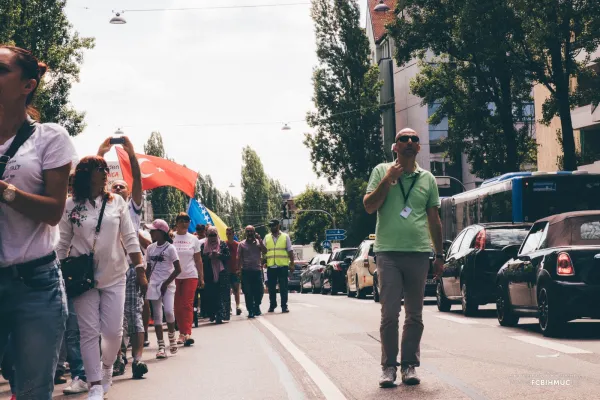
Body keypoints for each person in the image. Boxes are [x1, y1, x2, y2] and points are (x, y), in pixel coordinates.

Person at [0, 45, 77, 400]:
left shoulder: (50, 138)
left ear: (27, 85)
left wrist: (5, 192)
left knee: (31, 390)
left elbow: (53, 211)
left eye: (1, 70)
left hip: (35, 284)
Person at [57, 156, 143, 400]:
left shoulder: (117, 202)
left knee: (114, 333)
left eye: (106, 168)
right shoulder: (70, 205)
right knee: (88, 332)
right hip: (82, 278)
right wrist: (59, 275)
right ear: (85, 173)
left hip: (115, 274)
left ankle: (107, 368)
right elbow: (62, 242)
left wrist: (140, 267)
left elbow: (129, 236)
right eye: (99, 168)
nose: (105, 172)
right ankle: (94, 384)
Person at [363, 128, 444, 388]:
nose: (410, 142)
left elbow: (434, 219)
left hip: (418, 253)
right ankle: (388, 368)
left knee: (415, 315)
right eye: (403, 139)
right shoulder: (381, 170)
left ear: (419, 148)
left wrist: (439, 255)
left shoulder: (427, 178)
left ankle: (409, 366)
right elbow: (369, 205)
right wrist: (387, 179)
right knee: (389, 314)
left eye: (414, 139)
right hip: (387, 253)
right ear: (395, 147)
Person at [99, 137, 151, 379]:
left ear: (129, 192)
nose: (118, 188)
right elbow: (91, 178)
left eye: (122, 186)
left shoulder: (132, 208)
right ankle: (117, 358)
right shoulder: (104, 207)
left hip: (130, 270)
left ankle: (137, 360)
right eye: (114, 186)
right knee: (112, 321)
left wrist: (131, 154)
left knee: (134, 315)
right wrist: (101, 152)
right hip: (108, 270)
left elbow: (138, 180)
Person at [145, 219, 181, 359]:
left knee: (169, 312)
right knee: (158, 316)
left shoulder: (170, 248)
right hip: (153, 285)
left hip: (168, 285)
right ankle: (161, 346)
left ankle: (172, 339)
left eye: (153, 230)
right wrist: (145, 283)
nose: (151, 232)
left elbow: (178, 269)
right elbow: (148, 269)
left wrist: (166, 283)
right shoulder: (150, 248)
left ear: (161, 232)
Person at [173, 212, 204, 346]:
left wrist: (201, 277)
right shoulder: (171, 237)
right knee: (177, 306)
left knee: (187, 304)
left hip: (190, 275)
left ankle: (187, 333)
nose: (184, 223)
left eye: (187, 221)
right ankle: (180, 332)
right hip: (173, 276)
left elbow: (198, 259)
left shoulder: (193, 239)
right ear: (177, 222)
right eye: (182, 220)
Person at [263, 219, 295, 313]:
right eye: (270, 226)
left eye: (273, 226)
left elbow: (290, 251)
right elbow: (264, 251)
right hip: (271, 266)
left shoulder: (285, 237)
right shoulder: (267, 237)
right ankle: (272, 305)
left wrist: (292, 263)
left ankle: (284, 306)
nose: (272, 228)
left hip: (282, 266)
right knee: (271, 288)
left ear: (278, 226)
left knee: (283, 287)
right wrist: (263, 260)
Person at [201, 226, 231, 324]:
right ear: (207, 235)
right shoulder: (203, 246)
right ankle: (212, 314)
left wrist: (219, 255)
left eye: (214, 235)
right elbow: (200, 259)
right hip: (209, 274)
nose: (213, 237)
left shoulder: (222, 244)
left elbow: (228, 257)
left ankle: (222, 314)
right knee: (211, 295)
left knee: (222, 294)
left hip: (222, 273)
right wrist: (209, 256)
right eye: (210, 235)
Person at [237, 226, 267, 318]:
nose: (250, 233)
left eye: (251, 231)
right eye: (248, 231)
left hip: (257, 271)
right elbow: (238, 258)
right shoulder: (241, 244)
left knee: (260, 291)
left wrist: (260, 240)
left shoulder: (258, 243)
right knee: (248, 292)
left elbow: (265, 251)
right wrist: (238, 270)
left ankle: (256, 306)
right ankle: (250, 310)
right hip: (246, 271)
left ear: (254, 232)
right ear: (245, 233)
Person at [225, 227, 242, 316]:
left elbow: (240, 257)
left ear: (233, 234)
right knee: (227, 290)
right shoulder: (224, 244)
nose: (228, 235)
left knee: (236, 290)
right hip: (226, 271)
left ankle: (238, 306)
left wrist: (239, 268)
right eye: (227, 234)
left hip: (235, 270)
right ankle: (229, 307)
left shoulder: (238, 245)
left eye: (230, 233)